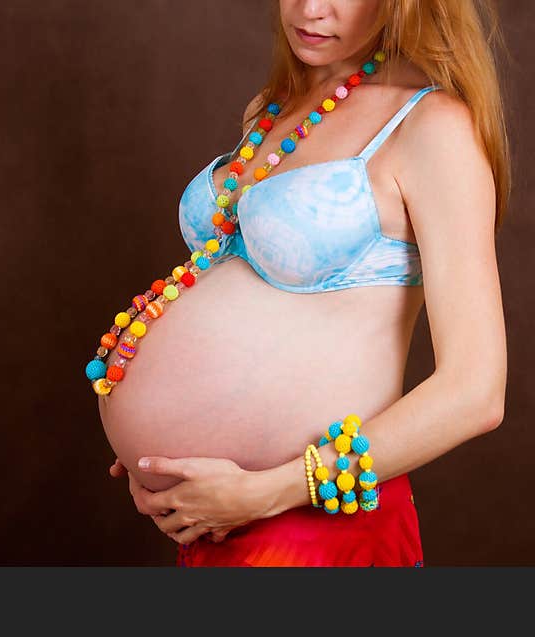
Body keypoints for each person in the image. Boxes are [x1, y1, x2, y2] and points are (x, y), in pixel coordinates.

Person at [104, 0, 509, 566]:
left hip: (318, 527)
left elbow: (475, 393)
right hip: (217, 521)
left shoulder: (433, 126)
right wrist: (156, 448)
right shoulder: (271, 111)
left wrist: (269, 491)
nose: (311, 9)